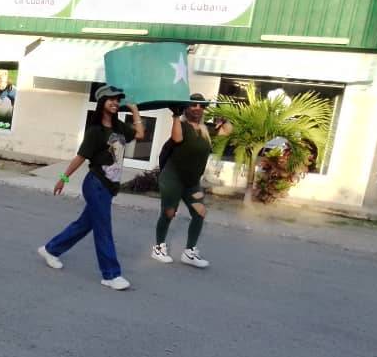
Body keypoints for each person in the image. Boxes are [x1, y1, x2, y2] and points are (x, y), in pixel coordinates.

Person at [37, 85, 145, 291]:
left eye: (117, 100)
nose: (114, 103)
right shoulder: (95, 131)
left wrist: (134, 110)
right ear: (101, 103)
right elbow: (80, 157)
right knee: (103, 228)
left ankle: (51, 249)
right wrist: (63, 178)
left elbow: (139, 134)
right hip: (96, 184)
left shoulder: (119, 128)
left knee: (84, 225)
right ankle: (111, 274)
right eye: (110, 99)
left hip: (109, 186)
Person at [152, 94, 232, 269]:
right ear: (186, 108)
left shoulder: (205, 130)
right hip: (172, 179)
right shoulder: (182, 125)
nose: (197, 108)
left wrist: (224, 119)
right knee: (169, 213)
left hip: (191, 183)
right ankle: (158, 248)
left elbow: (227, 131)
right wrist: (175, 115)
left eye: (201, 106)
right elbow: (177, 139)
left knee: (200, 212)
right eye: (193, 105)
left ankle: (189, 252)